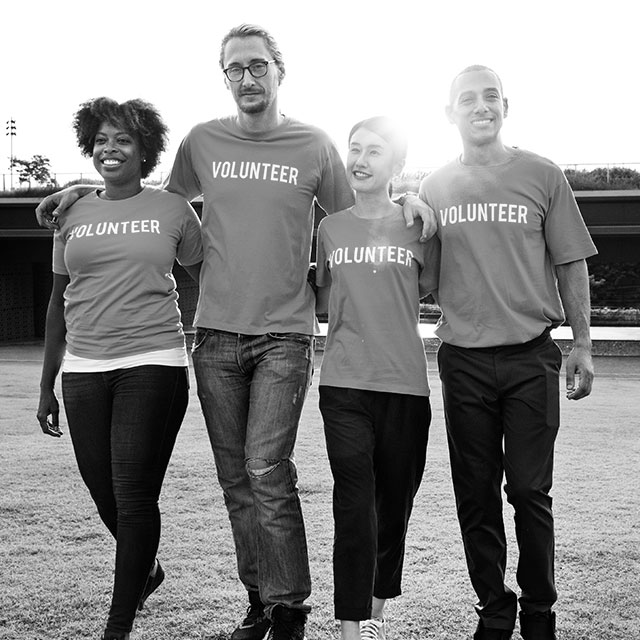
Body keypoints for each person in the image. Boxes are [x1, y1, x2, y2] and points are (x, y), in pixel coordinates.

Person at [34, 24, 436, 640]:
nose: (247, 79)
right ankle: (259, 602)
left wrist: (412, 201)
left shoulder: (315, 145)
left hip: (285, 336)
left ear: (279, 71)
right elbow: (150, 204)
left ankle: (289, 608)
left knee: (266, 468)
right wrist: (84, 190)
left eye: (257, 66)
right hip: (214, 337)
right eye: (234, 69)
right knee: (233, 479)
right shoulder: (201, 142)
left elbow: (358, 210)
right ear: (224, 77)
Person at [419, 65, 597, 640]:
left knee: (527, 489)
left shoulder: (542, 175)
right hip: (464, 360)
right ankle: (494, 608)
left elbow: (570, 262)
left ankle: (540, 612)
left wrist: (583, 345)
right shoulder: (435, 187)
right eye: (467, 99)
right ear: (450, 113)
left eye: (489, 96)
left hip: (530, 357)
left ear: (504, 106)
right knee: (475, 493)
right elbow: (420, 275)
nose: (480, 106)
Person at [36, 97, 203, 640]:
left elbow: (207, 275)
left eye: (123, 140)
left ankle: (117, 626)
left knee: (133, 495)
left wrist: (206, 339)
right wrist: (47, 385)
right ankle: (148, 569)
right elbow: (58, 300)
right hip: (84, 367)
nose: (111, 149)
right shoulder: (71, 213)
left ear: (144, 149)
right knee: (103, 491)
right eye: (102, 140)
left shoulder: (174, 209)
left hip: (153, 360)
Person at [315, 117, 434, 640]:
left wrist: (414, 201)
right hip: (342, 383)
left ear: (397, 165)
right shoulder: (329, 228)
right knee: (353, 501)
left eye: (375, 151)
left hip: (406, 385)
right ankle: (349, 628)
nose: (360, 160)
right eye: (355, 150)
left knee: (394, 505)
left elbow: (432, 289)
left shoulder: (421, 226)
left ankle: (376, 612)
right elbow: (324, 297)